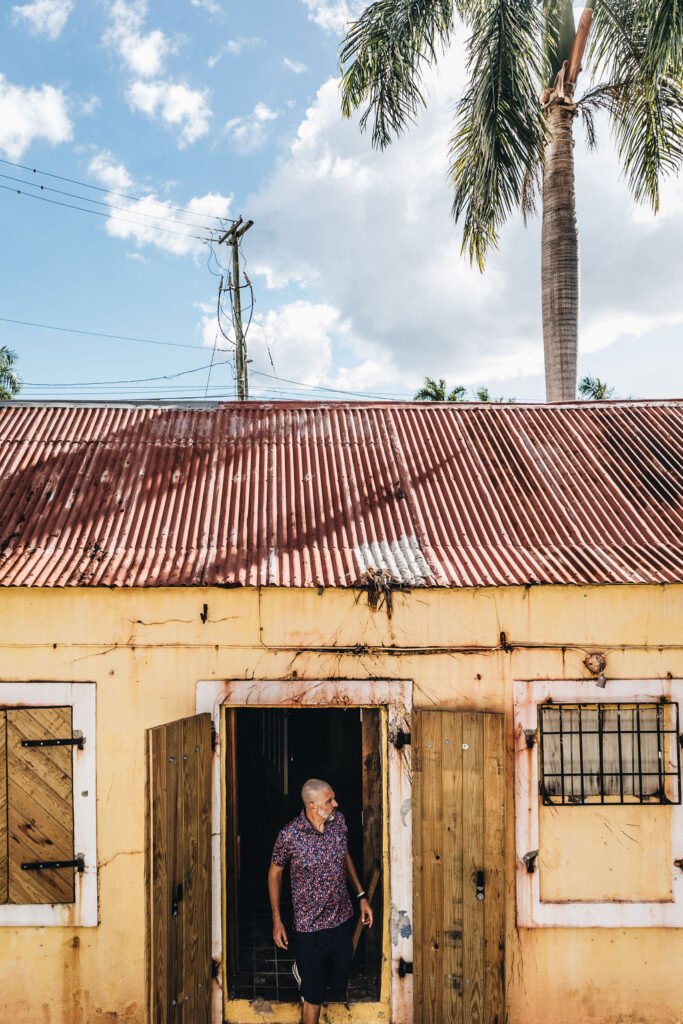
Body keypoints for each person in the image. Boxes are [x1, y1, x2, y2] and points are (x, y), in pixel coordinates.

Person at [268, 778, 373, 1024]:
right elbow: (275, 872)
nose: (336, 803)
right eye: (330, 800)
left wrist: (361, 896)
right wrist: (276, 919)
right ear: (313, 806)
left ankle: (304, 972)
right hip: (310, 928)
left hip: (342, 919)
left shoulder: (339, 823)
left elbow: (344, 854)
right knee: (314, 998)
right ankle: (306, 976)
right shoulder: (290, 836)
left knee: (337, 982)